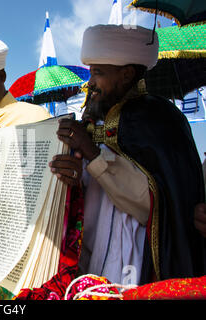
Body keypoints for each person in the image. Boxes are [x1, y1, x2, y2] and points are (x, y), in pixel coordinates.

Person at [49, 24, 205, 285]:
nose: (91, 83)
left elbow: (152, 203)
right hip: (87, 256)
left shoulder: (160, 118)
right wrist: (73, 178)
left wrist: (92, 152)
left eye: (98, 73)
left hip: (136, 266)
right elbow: (86, 193)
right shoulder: (92, 119)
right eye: (91, 72)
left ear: (126, 75)